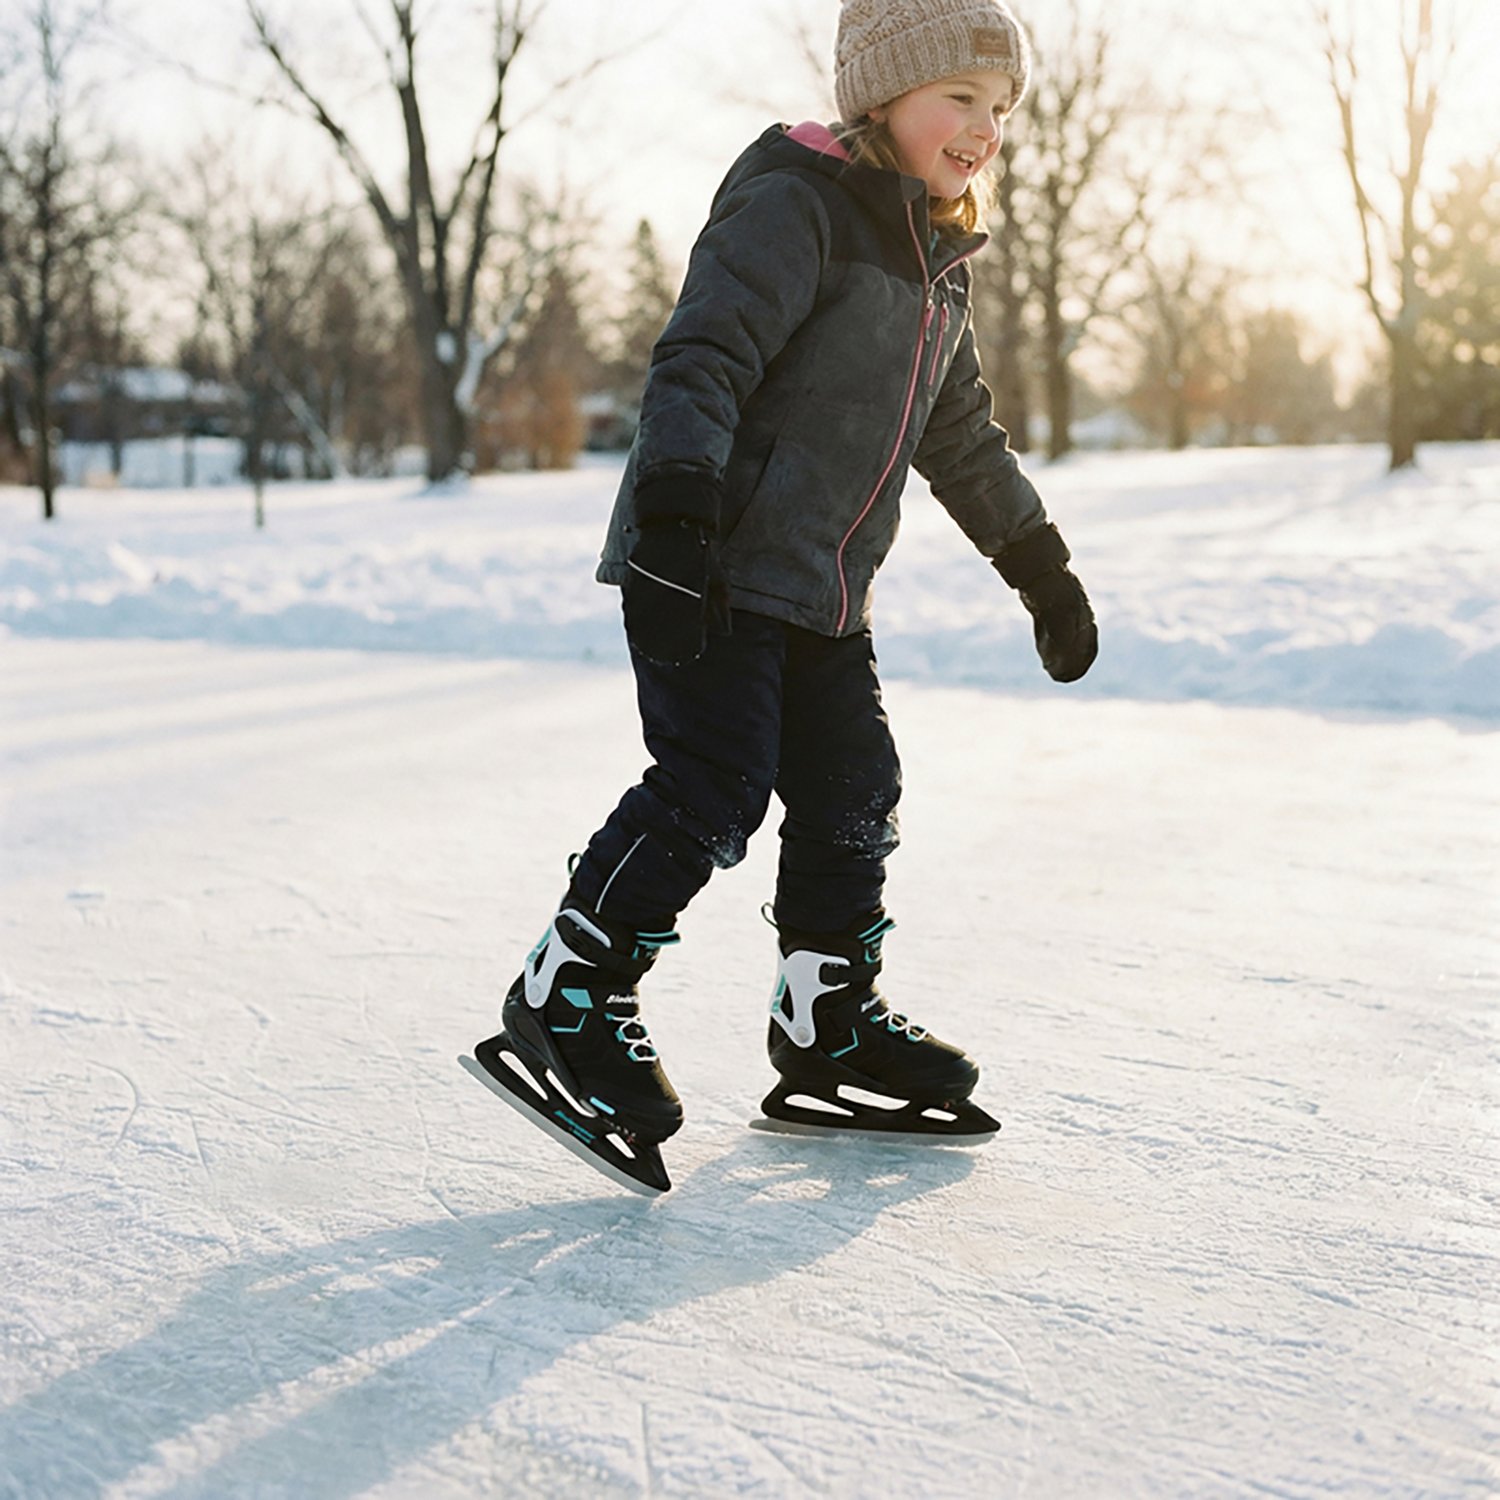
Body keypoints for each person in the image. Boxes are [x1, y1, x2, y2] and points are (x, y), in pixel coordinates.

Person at [466, 0, 1098, 1191]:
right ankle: (571, 988)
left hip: (822, 595)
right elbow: (702, 357)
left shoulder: (935, 264)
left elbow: (959, 437)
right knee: (715, 787)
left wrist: (1041, 567)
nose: (985, 130)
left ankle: (827, 1017)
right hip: (707, 563)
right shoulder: (795, 205)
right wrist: (675, 516)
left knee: (858, 788)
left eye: (1001, 108)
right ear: (883, 95)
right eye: (960, 97)